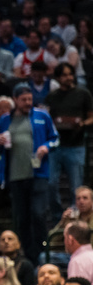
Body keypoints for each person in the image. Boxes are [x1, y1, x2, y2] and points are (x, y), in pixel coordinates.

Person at [0, 84, 59, 263]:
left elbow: (55, 139)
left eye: (30, 99)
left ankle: (42, 251)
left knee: (38, 213)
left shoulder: (42, 116)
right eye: (23, 100)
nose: (28, 103)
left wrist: (46, 147)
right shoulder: (5, 120)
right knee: (22, 218)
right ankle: (29, 255)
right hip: (15, 176)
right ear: (15, 100)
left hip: (38, 174)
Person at [46, 63, 93, 218]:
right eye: (64, 75)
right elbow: (47, 119)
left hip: (76, 145)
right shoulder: (52, 97)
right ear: (58, 78)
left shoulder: (83, 94)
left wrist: (82, 124)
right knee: (50, 183)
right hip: (55, 146)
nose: (68, 78)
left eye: (70, 74)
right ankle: (59, 216)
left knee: (76, 187)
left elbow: (91, 117)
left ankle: (77, 217)